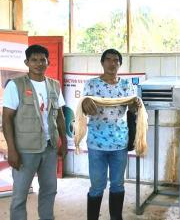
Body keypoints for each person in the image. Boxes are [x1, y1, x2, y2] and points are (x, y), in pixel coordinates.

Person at [2, 44, 67, 220]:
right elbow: (6, 119)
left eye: (42, 60)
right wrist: (12, 150)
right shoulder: (16, 86)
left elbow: (60, 115)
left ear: (48, 62)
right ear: (27, 62)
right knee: (20, 195)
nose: (38, 63)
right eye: (34, 60)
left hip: (49, 147)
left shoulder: (54, 85)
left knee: (49, 190)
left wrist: (64, 141)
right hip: (25, 149)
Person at [82, 49, 139, 220]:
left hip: (119, 142)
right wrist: (85, 102)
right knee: (97, 186)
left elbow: (132, 110)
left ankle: (116, 217)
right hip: (96, 143)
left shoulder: (126, 85)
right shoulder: (91, 84)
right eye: (108, 60)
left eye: (116, 60)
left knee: (118, 184)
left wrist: (135, 105)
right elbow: (83, 108)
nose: (112, 63)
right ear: (102, 62)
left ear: (120, 64)